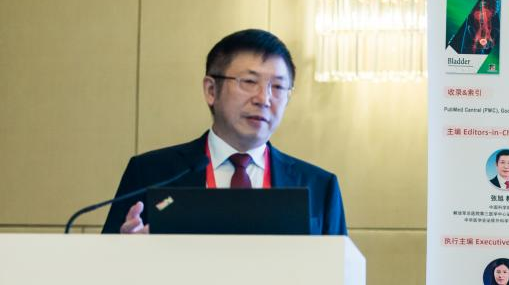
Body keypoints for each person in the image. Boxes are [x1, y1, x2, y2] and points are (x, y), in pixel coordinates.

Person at [102, 29, 346, 235]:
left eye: (279, 87)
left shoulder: (320, 186)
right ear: (211, 90)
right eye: (249, 82)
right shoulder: (150, 172)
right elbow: (106, 268)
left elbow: (339, 272)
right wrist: (125, 252)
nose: (263, 98)